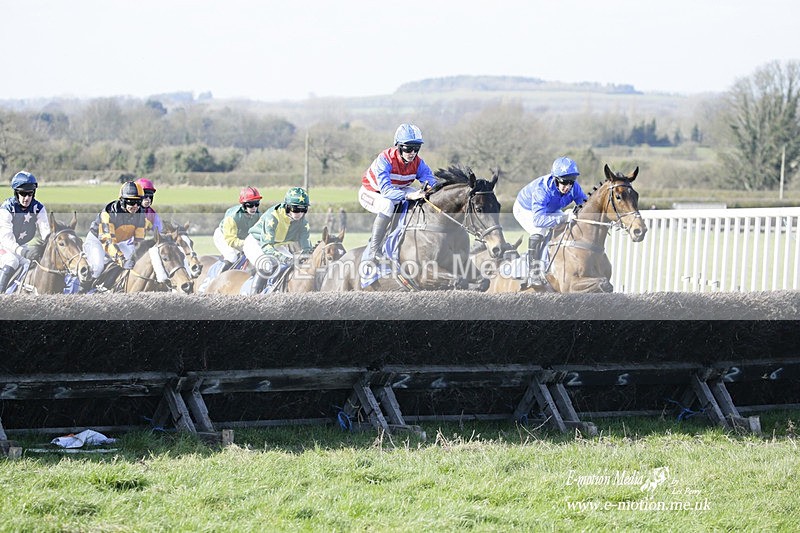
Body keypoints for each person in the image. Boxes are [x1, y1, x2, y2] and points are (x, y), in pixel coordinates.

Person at [358, 123, 438, 264]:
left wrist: (433, 189)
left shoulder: (418, 162)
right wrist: (408, 196)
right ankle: (374, 251)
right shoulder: (385, 159)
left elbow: (432, 181)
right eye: (408, 148)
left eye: (416, 148)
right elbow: (386, 191)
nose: (412, 153)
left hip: (397, 190)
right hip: (372, 192)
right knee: (387, 205)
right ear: (399, 147)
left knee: (420, 197)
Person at [514, 156, 587, 284]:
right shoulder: (542, 190)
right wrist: (564, 217)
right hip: (526, 209)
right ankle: (533, 272)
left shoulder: (575, 187)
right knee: (539, 230)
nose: (568, 186)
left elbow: (585, 205)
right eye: (564, 182)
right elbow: (538, 220)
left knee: (567, 226)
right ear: (556, 179)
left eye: (571, 181)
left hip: (550, 209)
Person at [83, 181, 151, 290]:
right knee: (97, 267)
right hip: (98, 241)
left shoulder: (141, 214)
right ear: (122, 201)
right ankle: (83, 291)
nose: (135, 206)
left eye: (138, 202)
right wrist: (122, 261)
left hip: (119, 242)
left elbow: (139, 241)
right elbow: (108, 241)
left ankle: (115, 288)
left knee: (134, 261)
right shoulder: (109, 213)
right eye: (131, 202)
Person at [243, 186, 312, 294]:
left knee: (294, 264)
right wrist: (284, 258)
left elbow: (306, 247)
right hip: (256, 243)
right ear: (287, 206)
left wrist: (307, 258)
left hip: (277, 245)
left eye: (304, 209)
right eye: (296, 209)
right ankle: (254, 296)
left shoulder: (303, 223)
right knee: (267, 265)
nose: (300, 213)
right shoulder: (272, 216)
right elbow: (266, 246)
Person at [0, 171, 50, 293]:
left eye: (30, 194)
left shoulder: (38, 208)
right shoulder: (7, 208)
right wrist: (21, 251)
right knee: (12, 261)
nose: (26, 198)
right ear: (16, 193)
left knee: (30, 265)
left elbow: (46, 232)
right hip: (3, 245)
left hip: (20, 247)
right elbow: (6, 239)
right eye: (23, 193)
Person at [213, 186, 262, 272]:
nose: (254, 207)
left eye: (256, 203)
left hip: (241, 238)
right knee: (232, 257)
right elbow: (231, 241)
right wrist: (248, 244)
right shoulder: (232, 217)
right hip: (224, 237)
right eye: (250, 204)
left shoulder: (259, 216)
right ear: (243, 205)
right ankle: (218, 278)